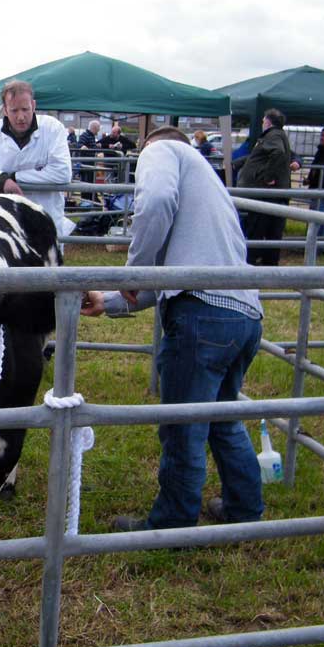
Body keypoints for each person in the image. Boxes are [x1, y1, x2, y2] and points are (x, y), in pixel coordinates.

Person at [80, 125, 264, 531]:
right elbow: (173, 271)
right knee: (222, 415)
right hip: (244, 313)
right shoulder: (210, 186)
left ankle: (172, 523)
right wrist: (111, 301)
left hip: (202, 313)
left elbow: (156, 201)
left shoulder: (162, 151)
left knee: (183, 424)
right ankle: (245, 508)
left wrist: (133, 272)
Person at [0, 79, 73, 238]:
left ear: (33, 105)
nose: (21, 117)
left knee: (44, 261)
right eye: (14, 110)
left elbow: (62, 172)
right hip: (2, 222)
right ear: (5, 109)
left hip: (44, 218)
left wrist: (14, 178)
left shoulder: (53, 129)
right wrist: (0, 180)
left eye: (25, 109)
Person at [237, 108, 292, 266]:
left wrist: (268, 177)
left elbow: (278, 153)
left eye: (263, 121)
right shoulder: (279, 135)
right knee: (272, 231)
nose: (262, 123)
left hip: (266, 194)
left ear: (268, 121)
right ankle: (269, 263)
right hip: (274, 194)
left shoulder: (272, 135)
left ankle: (253, 262)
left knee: (258, 229)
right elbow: (262, 157)